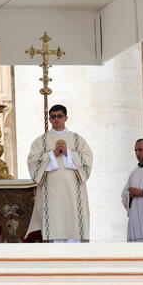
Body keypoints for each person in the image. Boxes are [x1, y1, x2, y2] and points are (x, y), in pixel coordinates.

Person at [24, 104, 92, 243]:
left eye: (60, 116)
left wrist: (69, 153)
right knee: (54, 223)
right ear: (49, 119)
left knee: (73, 222)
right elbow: (32, 161)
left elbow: (88, 159)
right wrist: (52, 154)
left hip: (73, 190)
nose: (57, 119)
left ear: (66, 118)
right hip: (51, 192)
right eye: (53, 117)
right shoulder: (41, 141)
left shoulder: (77, 140)